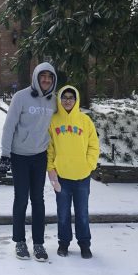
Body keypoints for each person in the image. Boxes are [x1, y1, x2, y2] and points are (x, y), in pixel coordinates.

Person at [0, 62, 57, 261]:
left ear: (53, 80)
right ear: (36, 77)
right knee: (21, 199)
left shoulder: (53, 101)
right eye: (43, 77)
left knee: (38, 200)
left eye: (50, 77)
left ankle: (39, 243)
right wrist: (5, 154)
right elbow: (9, 126)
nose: (46, 80)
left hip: (40, 156)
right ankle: (20, 242)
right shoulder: (21, 97)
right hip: (19, 156)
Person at [47, 85, 100, 259]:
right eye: (64, 97)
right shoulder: (53, 121)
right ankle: (63, 243)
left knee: (82, 213)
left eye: (71, 97)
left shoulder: (85, 121)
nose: (68, 100)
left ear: (76, 100)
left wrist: (89, 164)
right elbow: (49, 148)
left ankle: (84, 244)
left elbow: (94, 145)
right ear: (59, 99)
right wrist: (51, 170)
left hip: (82, 177)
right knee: (62, 213)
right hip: (61, 177)